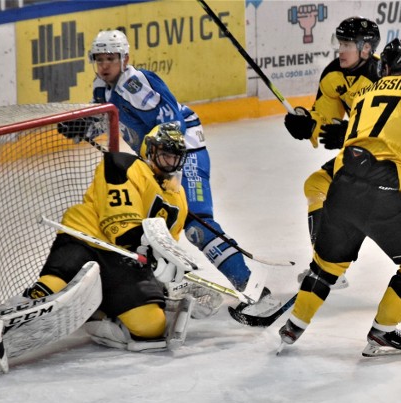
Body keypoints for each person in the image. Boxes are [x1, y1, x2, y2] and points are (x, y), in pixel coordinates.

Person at [0, 123, 213, 372]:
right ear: (150, 149)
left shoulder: (178, 198)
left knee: (151, 330)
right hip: (87, 239)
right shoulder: (123, 165)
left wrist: (168, 270)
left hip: (125, 262)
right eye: (165, 154)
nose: (170, 161)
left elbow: (166, 242)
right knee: (51, 290)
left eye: (175, 156)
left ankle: (96, 313)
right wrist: (151, 256)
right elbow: (119, 225)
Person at [60, 29, 280, 320]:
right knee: (152, 222)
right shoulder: (103, 88)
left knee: (197, 223)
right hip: (157, 160)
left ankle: (255, 293)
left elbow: (172, 122)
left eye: (111, 58)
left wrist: (169, 169)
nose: (104, 65)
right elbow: (108, 120)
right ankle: (160, 286)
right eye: (99, 59)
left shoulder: (135, 83)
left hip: (184, 152)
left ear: (125, 58)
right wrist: (83, 129)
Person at [278, 39, 401, 357]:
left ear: (383, 67)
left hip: (344, 185)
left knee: (326, 265)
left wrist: (311, 125)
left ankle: (294, 325)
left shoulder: (364, 95)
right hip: (384, 190)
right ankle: (383, 334)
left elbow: (352, 137)